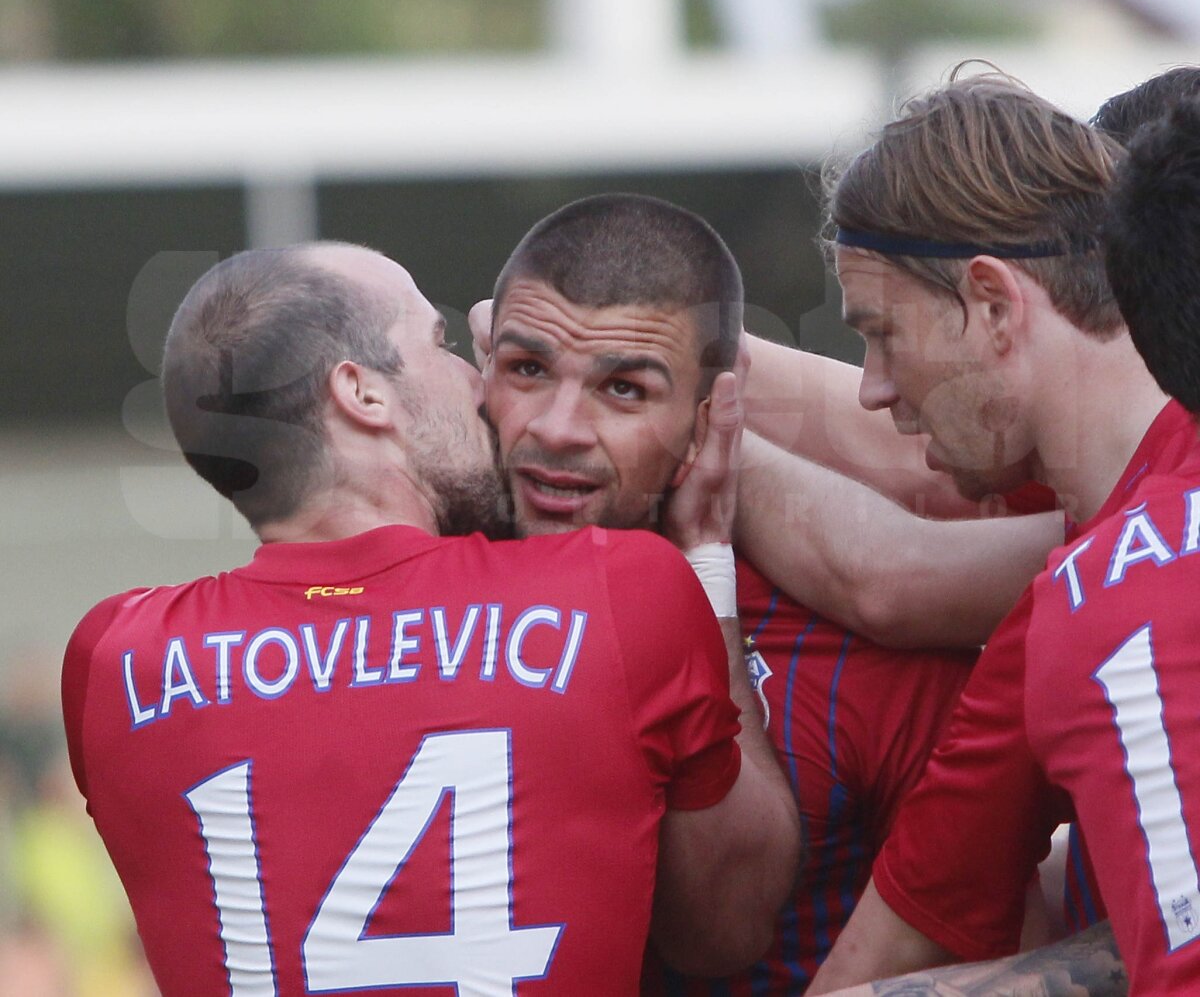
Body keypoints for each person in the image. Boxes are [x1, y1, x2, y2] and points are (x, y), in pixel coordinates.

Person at [60, 242, 801, 997]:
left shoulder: (115, 658)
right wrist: (705, 557)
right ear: (363, 393)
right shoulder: (614, 587)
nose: (482, 385)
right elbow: (726, 929)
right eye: (442, 344)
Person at [473, 193, 989, 994]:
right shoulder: (399, 594)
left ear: (714, 409)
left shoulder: (871, 658)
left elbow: (988, 954)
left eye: (625, 389)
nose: (559, 427)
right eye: (528, 369)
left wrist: (705, 572)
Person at [792, 71, 1200, 996]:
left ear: (991, 302)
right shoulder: (1077, 557)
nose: (873, 386)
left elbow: (884, 572)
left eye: (881, 333)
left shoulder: (1085, 594)